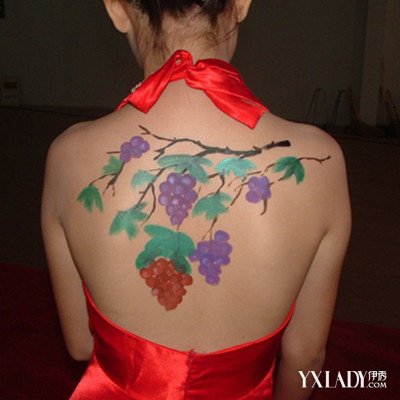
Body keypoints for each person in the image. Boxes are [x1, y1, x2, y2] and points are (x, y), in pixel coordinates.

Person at [41, 0, 351, 399]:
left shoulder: (68, 156)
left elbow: (81, 344)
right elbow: (306, 356)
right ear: (241, 3)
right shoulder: (321, 162)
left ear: (117, 8)